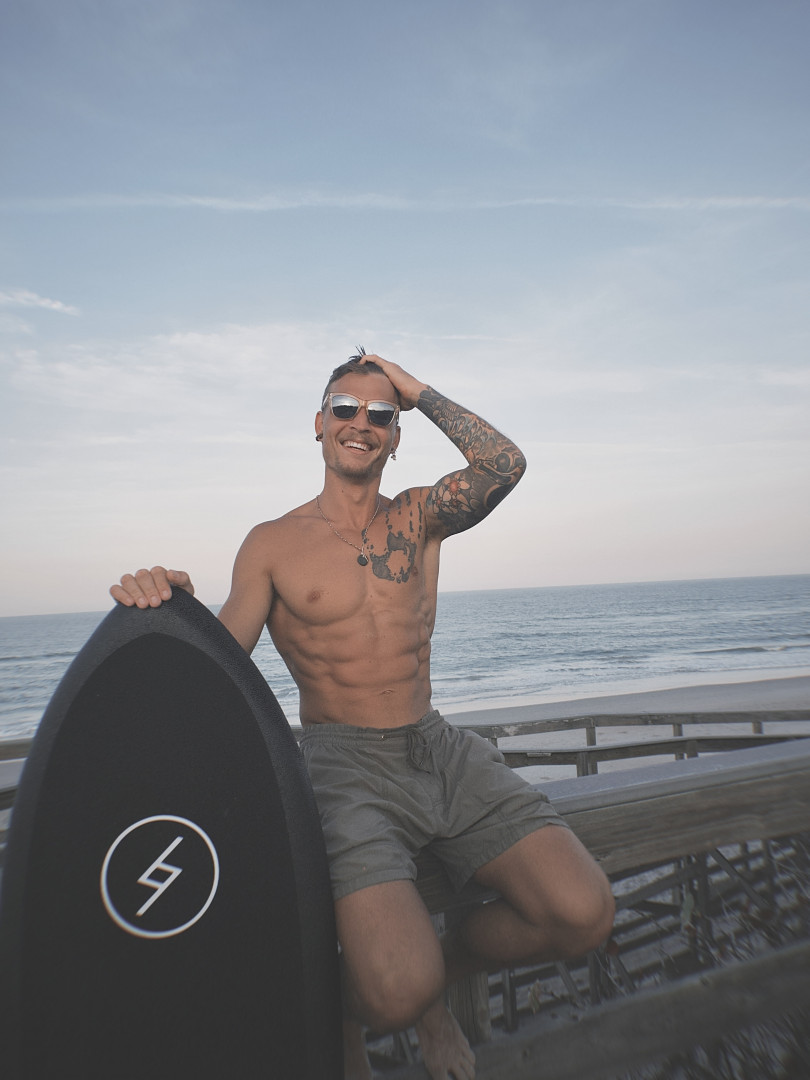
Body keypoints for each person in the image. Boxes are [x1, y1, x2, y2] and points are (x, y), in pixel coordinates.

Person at [111, 351, 614, 1080]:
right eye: (344, 408)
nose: (361, 423)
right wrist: (168, 607)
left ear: (396, 436)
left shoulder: (419, 516)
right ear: (318, 424)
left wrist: (415, 389)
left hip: (441, 750)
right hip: (344, 767)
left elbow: (505, 464)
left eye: (381, 414)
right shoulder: (272, 543)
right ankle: (387, 1005)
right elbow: (216, 670)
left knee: (584, 914)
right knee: (394, 992)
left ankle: (441, 973)